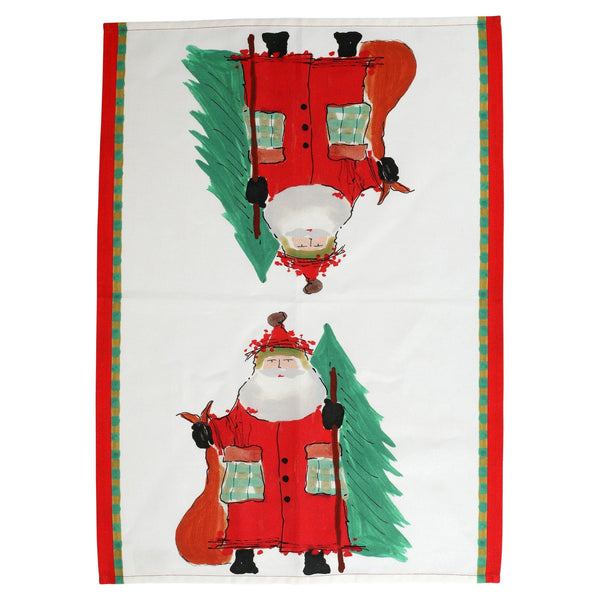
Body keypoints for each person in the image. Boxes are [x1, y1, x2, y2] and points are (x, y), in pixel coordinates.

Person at [189, 312, 348, 575]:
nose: (279, 368)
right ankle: (244, 556)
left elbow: (330, 427)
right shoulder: (247, 403)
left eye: (287, 362)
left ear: (302, 367)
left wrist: (334, 416)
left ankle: (315, 557)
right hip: (257, 476)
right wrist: (207, 432)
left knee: (313, 511)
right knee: (249, 515)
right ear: (261, 368)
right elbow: (228, 427)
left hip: (306, 474)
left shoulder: (316, 401)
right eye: (272, 362)